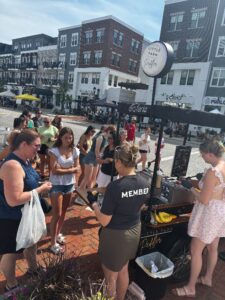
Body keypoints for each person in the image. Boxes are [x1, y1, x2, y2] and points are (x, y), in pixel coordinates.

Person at [89, 143, 150, 299]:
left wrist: (94, 203)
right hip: (134, 231)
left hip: (116, 235)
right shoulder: (144, 182)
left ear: (119, 162)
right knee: (123, 270)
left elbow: (103, 221)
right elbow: (141, 205)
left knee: (110, 277)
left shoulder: (115, 187)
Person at [0, 129, 52, 292]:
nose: (39, 149)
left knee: (31, 242)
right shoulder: (12, 165)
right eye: (36, 146)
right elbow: (13, 200)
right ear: (23, 144)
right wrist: (40, 189)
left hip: (26, 214)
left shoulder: (26, 160)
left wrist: (38, 185)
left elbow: (26, 183)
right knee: (11, 252)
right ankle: (11, 283)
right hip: (11, 217)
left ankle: (33, 268)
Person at [172, 138, 225, 297]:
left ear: (210, 154)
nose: (202, 157)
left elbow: (204, 199)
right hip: (220, 211)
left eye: (203, 155)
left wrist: (190, 187)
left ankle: (190, 287)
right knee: (213, 247)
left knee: (195, 250)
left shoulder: (213, 172)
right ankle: (207, 278)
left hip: (208, 214)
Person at [49, 127, 80, 254]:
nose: (68, 139)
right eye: (66, 137)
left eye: (70, 137)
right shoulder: (54, 151)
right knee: (56, 213)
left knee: (63, 212)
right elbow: (54, 170)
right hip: (56, 185)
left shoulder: (75, 150)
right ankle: (52, 244)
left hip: (69, 184)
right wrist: (71, 170)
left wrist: (67, 171)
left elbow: (78, 168)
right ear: (60, 137)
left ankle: (57, 234)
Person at [79, 125, 108, 191]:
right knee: (87, 177)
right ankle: (79, 194)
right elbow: (96, 150)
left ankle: (88, 192)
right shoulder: (100, 137)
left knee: (93, 177)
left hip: (95, 158)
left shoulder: (105, 139)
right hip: (91, 158)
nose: (93, 132)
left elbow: (101, 150)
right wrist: (99, 159)